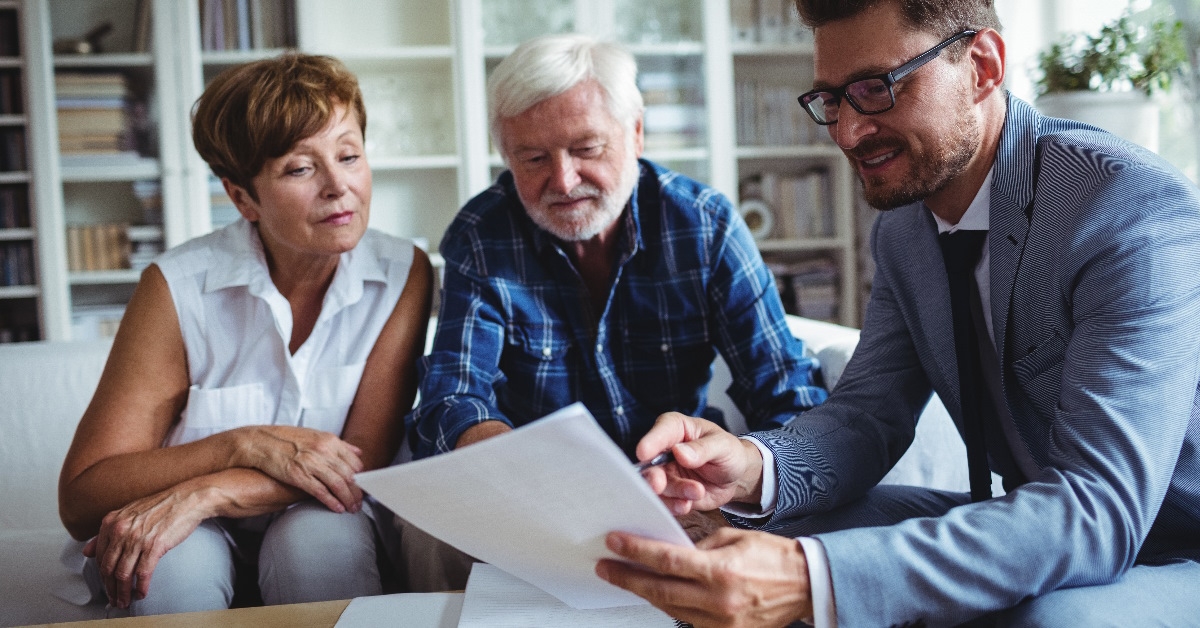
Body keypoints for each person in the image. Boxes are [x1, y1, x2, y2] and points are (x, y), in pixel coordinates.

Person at [594, 1, 1200, 626]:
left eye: (877, 89)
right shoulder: (904, 230)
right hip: (1031, 519)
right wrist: (750, 468)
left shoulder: (1128, 206)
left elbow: (1100, 511)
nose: (848, 133)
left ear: (982, 66)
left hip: (1172, 543)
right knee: (755, 533)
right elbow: (867, 415)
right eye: (832, 100)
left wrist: (813, 579)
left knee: (1052, 622)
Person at [402, 34, 826, 588]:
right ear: (506, 157)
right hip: (533, 497)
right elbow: (453, 395)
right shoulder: (482, 234)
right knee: (432, 533)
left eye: (585, 149)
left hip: (675, 492)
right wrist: (507, 460)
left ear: (636, 134)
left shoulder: (706, 226)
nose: (563, 180)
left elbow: (789, 396)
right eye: (533, 158)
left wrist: (733, 485)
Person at [57, 53, 433, 615]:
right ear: (242, 198)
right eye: (300, 169)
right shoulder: (177, 287)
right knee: (169, 568)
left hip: (316, 514)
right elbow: (85, 496)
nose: (339, 187)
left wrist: (207, 490)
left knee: (320, 543)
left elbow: (361, 465)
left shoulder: (404, 273)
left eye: (349, 156)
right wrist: (242, 444)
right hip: (188, 529)